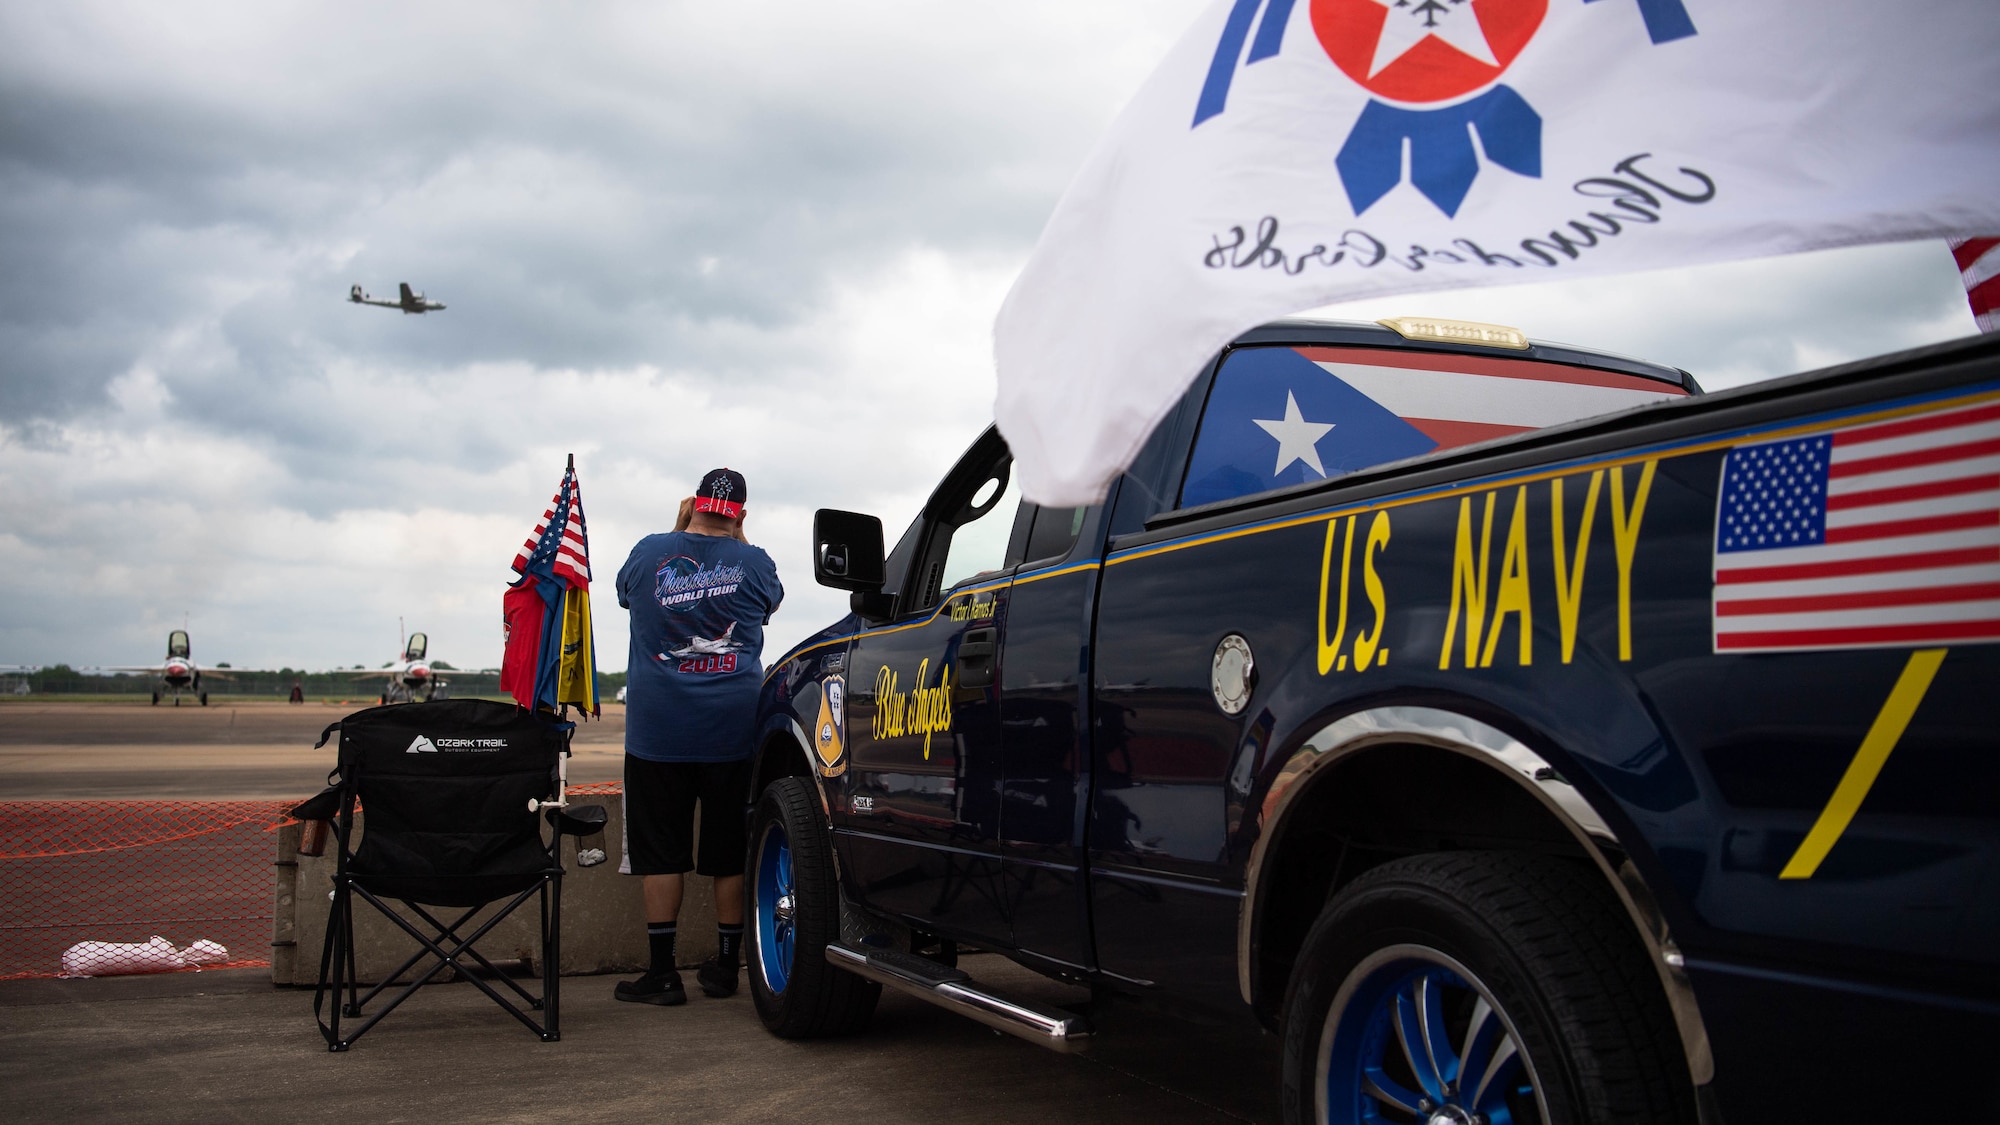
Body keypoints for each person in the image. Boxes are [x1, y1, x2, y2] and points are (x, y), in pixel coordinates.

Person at [613, 468, 783, 1006]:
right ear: (740, 515)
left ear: (694, 504)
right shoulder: (755, 562)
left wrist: (678, 526)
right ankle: (726, 968)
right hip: (733, 733)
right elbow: (770, 602)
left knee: (661, 853)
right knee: (729, 852)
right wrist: (738, 540)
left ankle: (663, 974)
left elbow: (624, 594)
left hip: (657, 733)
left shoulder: (649, 552)